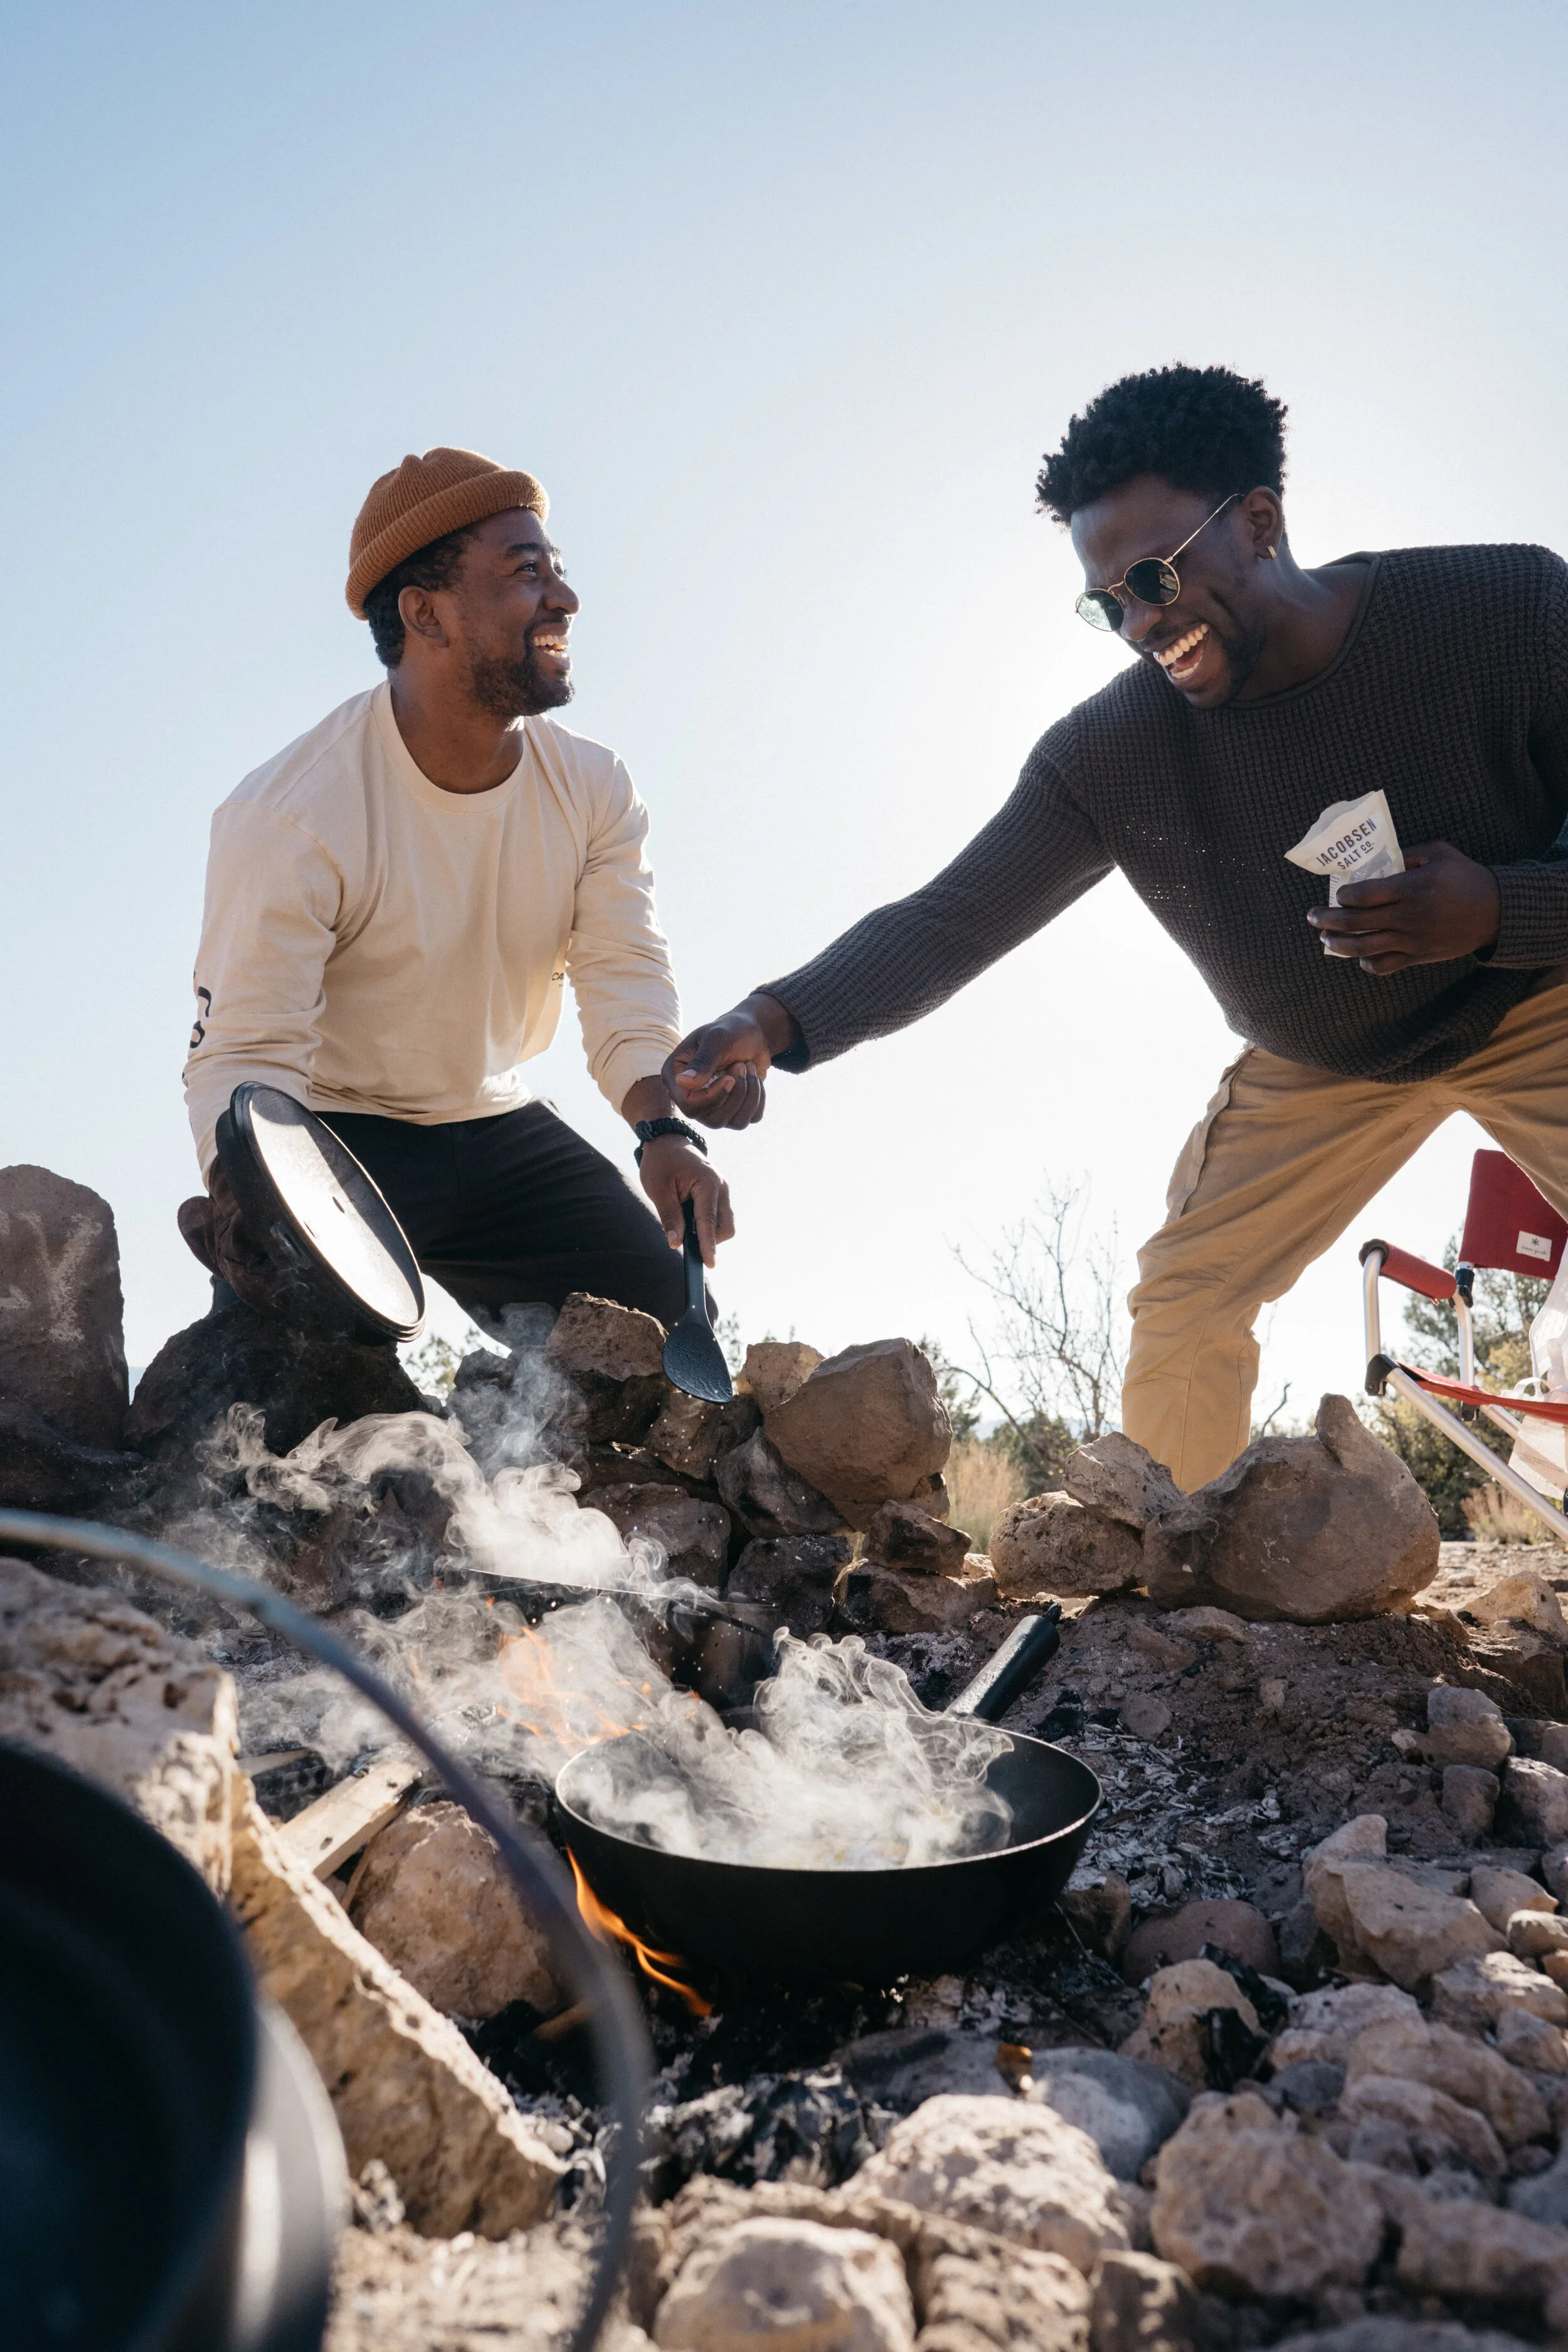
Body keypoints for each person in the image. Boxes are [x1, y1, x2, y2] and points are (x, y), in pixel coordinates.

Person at [661, 364, 1568, 1491]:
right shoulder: (1112, 753)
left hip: (1537, 998)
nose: (1141, 624)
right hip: (1322, 1063)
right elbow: (952, 918)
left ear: (1260, 521)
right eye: (1111, 603)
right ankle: (1178, 1591)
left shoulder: (1507, 609)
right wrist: (774, 1017)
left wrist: (1499, 909)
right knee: (1187, 1293)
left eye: (1153, 577)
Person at [181, 445, 728, 1332]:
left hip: (495, 1126)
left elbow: (623, 976)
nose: (565, 598)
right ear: (425, 613)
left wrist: (664, 1133)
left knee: (667, 1331)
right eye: (525, 572)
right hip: (334, 1134)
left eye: (559, 569)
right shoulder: (292, 816)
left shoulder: (593, 788)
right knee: (293, 1382)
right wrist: (246, 1197)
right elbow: (241, 1052)